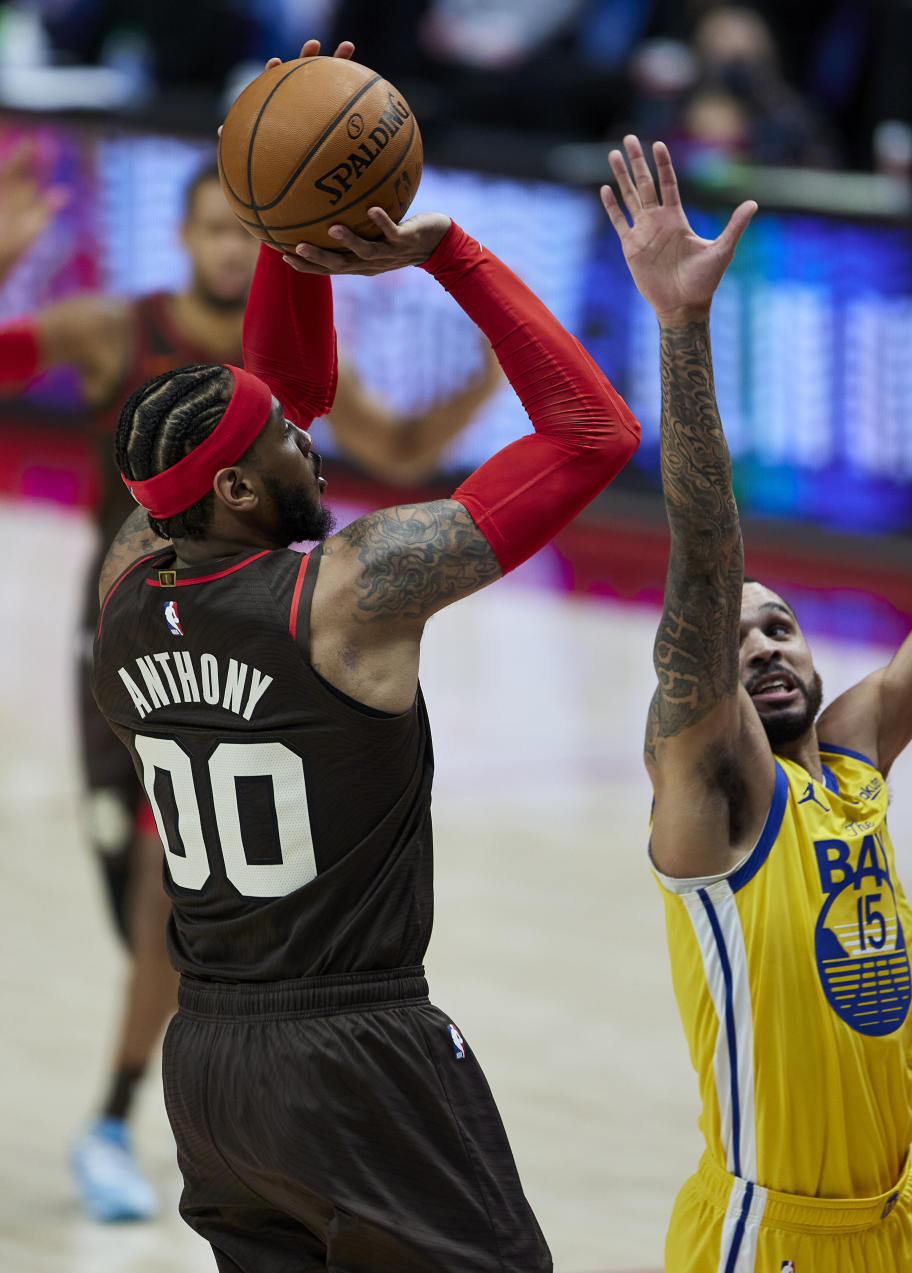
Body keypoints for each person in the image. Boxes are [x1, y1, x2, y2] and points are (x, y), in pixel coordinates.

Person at [90, 48, 642, 1267]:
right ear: (236, 488)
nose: (313, 441)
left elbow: (280, 384)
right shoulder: (344, 596)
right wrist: (443, 252)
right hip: (355, 1050)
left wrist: (302, 238)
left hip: (213, 1071)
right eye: (289, 444)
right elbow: (594, 430)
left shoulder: (128, 583)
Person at [0, 106, 499, 1221]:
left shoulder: (288, 391)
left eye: (247, 230)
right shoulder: (109, 329)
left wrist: (483, 374)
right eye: (215, 227)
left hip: (259, 652)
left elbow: (409, 454)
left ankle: (114, 1119)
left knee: (170, 913)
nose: (232, 247)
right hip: (129, 659)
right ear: (179, 238)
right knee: (169, 916)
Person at [601, 135, 912, 1271]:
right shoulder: (714, 790)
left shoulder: (850, 757)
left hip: (897, 1220)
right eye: (737, 638)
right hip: (771, 1239)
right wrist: (682, 333)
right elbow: (705, 560)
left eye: (781, 626)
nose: (762, 645)